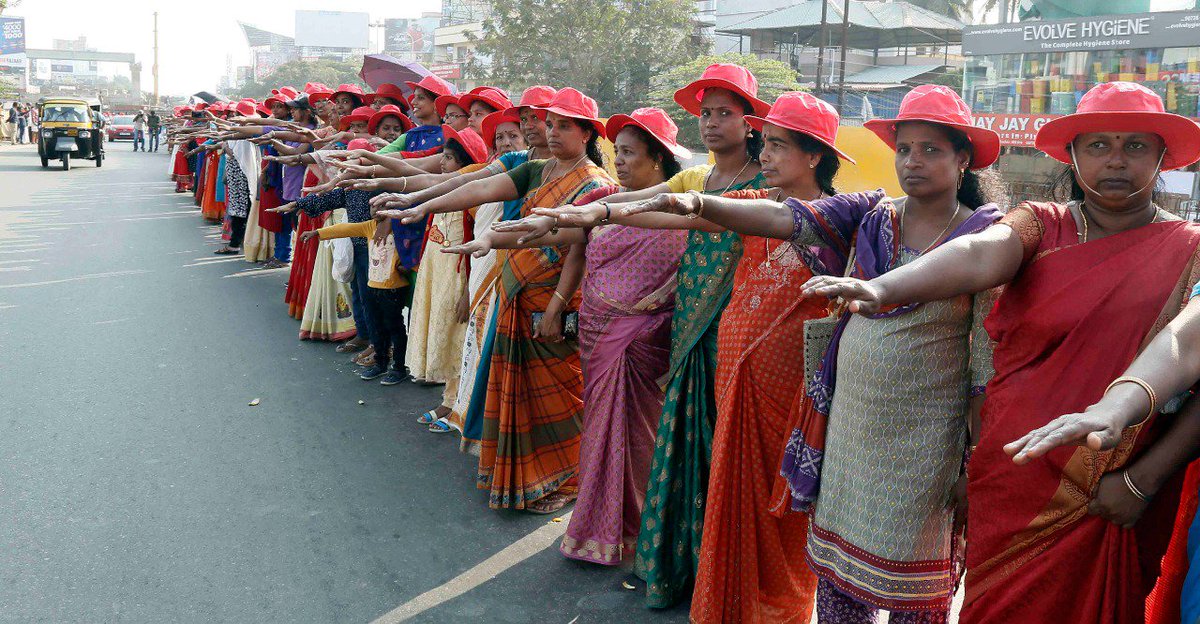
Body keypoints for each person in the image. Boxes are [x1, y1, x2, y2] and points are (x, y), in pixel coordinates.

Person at [804, 82, 1200, 624]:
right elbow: (981, 252)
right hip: (1014, 472)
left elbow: (1189, 354)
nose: (1115, 160)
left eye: (1135, 146)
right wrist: (886, 287)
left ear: (1161, 157)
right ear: (1074, 155)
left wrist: (1142, 479)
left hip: (1113, 489)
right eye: (1098, 145)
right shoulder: (1041, 225)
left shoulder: (1189, 252)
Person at [617, 84, 1006, 621]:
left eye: (931, 150)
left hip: (926, 442)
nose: (912, 162)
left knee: (915, 588)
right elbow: (784, 219)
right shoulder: (873, 217)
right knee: (839, 580)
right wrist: (669, 204)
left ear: (964, 159)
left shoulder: (987, 238)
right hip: (846, 429)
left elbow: (985, 366)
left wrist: (974, 465)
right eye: (905, 148)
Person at [535, 63, 769, 608]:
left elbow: (686, 223)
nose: (711, 123)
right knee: (681, 443)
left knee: (723, 450)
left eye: (724, 114)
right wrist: (565, 219)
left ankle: (723, 568)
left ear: (749, 122)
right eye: (705, 113)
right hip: (689, 331)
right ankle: (676, 557)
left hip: (731, 331)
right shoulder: (694, 180)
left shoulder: (767, 186)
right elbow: (641, 208)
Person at [449, 106, 691, 563]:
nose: (619, 161)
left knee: (637, 437)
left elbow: (688, 276)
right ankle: (597, 529)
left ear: (658, 158)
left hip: (642, 343)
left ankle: (639, 532)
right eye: (617, 151)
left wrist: (653, 306)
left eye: (630, 153)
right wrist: (492, 240)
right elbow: (559, 232)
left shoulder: (679, 211)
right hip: (598, 337)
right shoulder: (604, 199)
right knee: (600, 431)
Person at [378, 88, 615, 513]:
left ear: (587, 133)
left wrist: (557, 304)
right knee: (517, 391)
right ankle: (527, 476)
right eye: (551, 123)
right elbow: (479, 189)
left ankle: (568, 479)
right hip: (516, 290)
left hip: (554, 302)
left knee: (558, 397)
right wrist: (418, 203)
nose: (553, 131)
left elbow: (576, 245)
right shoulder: (539, 170)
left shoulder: (596, 185)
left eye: (565, 125)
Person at [404, 125, 487, 414]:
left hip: (457, 278)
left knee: (458, 341)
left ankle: (456, 405)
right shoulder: (440, 195)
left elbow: (477, 250)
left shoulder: (474, 202)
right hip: (435, 276)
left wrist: (467, 292)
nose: (442, 163)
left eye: (449, 158)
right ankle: (448, 401)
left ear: (466, 166)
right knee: (444, 336)